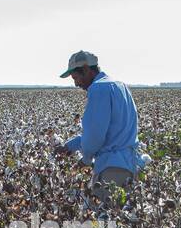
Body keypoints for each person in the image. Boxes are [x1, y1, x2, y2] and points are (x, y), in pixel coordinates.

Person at [55, 50, 150, 206]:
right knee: (123, 218)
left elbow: (95, 136)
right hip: (130, 165)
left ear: (86, 69)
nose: (76, 83)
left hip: (111, 168)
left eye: (76, 77)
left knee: (106, 222)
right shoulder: (121, 86)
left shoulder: (99, 89)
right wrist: (69, 146)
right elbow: (112, 131)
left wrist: (85, 159)